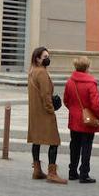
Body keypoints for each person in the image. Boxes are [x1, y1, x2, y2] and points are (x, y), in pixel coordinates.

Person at [27, 46, 66, 184]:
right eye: (45, 57)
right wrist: (51, 110)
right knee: (54, 141)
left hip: (35, 112)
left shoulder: (32, 72)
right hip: (44, 112)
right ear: (37, 59)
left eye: (48, 56)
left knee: (36, 140)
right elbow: (45, 95)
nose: (48, 59)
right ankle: (52, 173)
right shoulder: (42, 73)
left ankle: (37, 170)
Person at [62, 55, 99, 183]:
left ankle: (72, 171)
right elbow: (95, 104)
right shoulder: (91, 83)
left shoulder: (70, 82)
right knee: (86, 146)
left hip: (74, 119)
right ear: (87, 67)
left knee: (74, 145)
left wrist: (74, 110)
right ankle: (84, 173)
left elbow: (66, 101)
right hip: (87, 120)